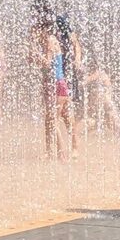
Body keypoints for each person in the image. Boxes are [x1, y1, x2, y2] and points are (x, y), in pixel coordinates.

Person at [31, 15, 76, 161]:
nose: (34, 33)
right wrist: (32, 55)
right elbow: (39, 64)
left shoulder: (50, 41)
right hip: (55, 85)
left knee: (53, 120)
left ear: (42, 29)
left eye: (36, 30)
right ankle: (52, 152)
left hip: (56, 85)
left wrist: (36, 53)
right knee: (53, 119)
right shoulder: (49, 40)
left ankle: (62, 154)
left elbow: (47, 63)